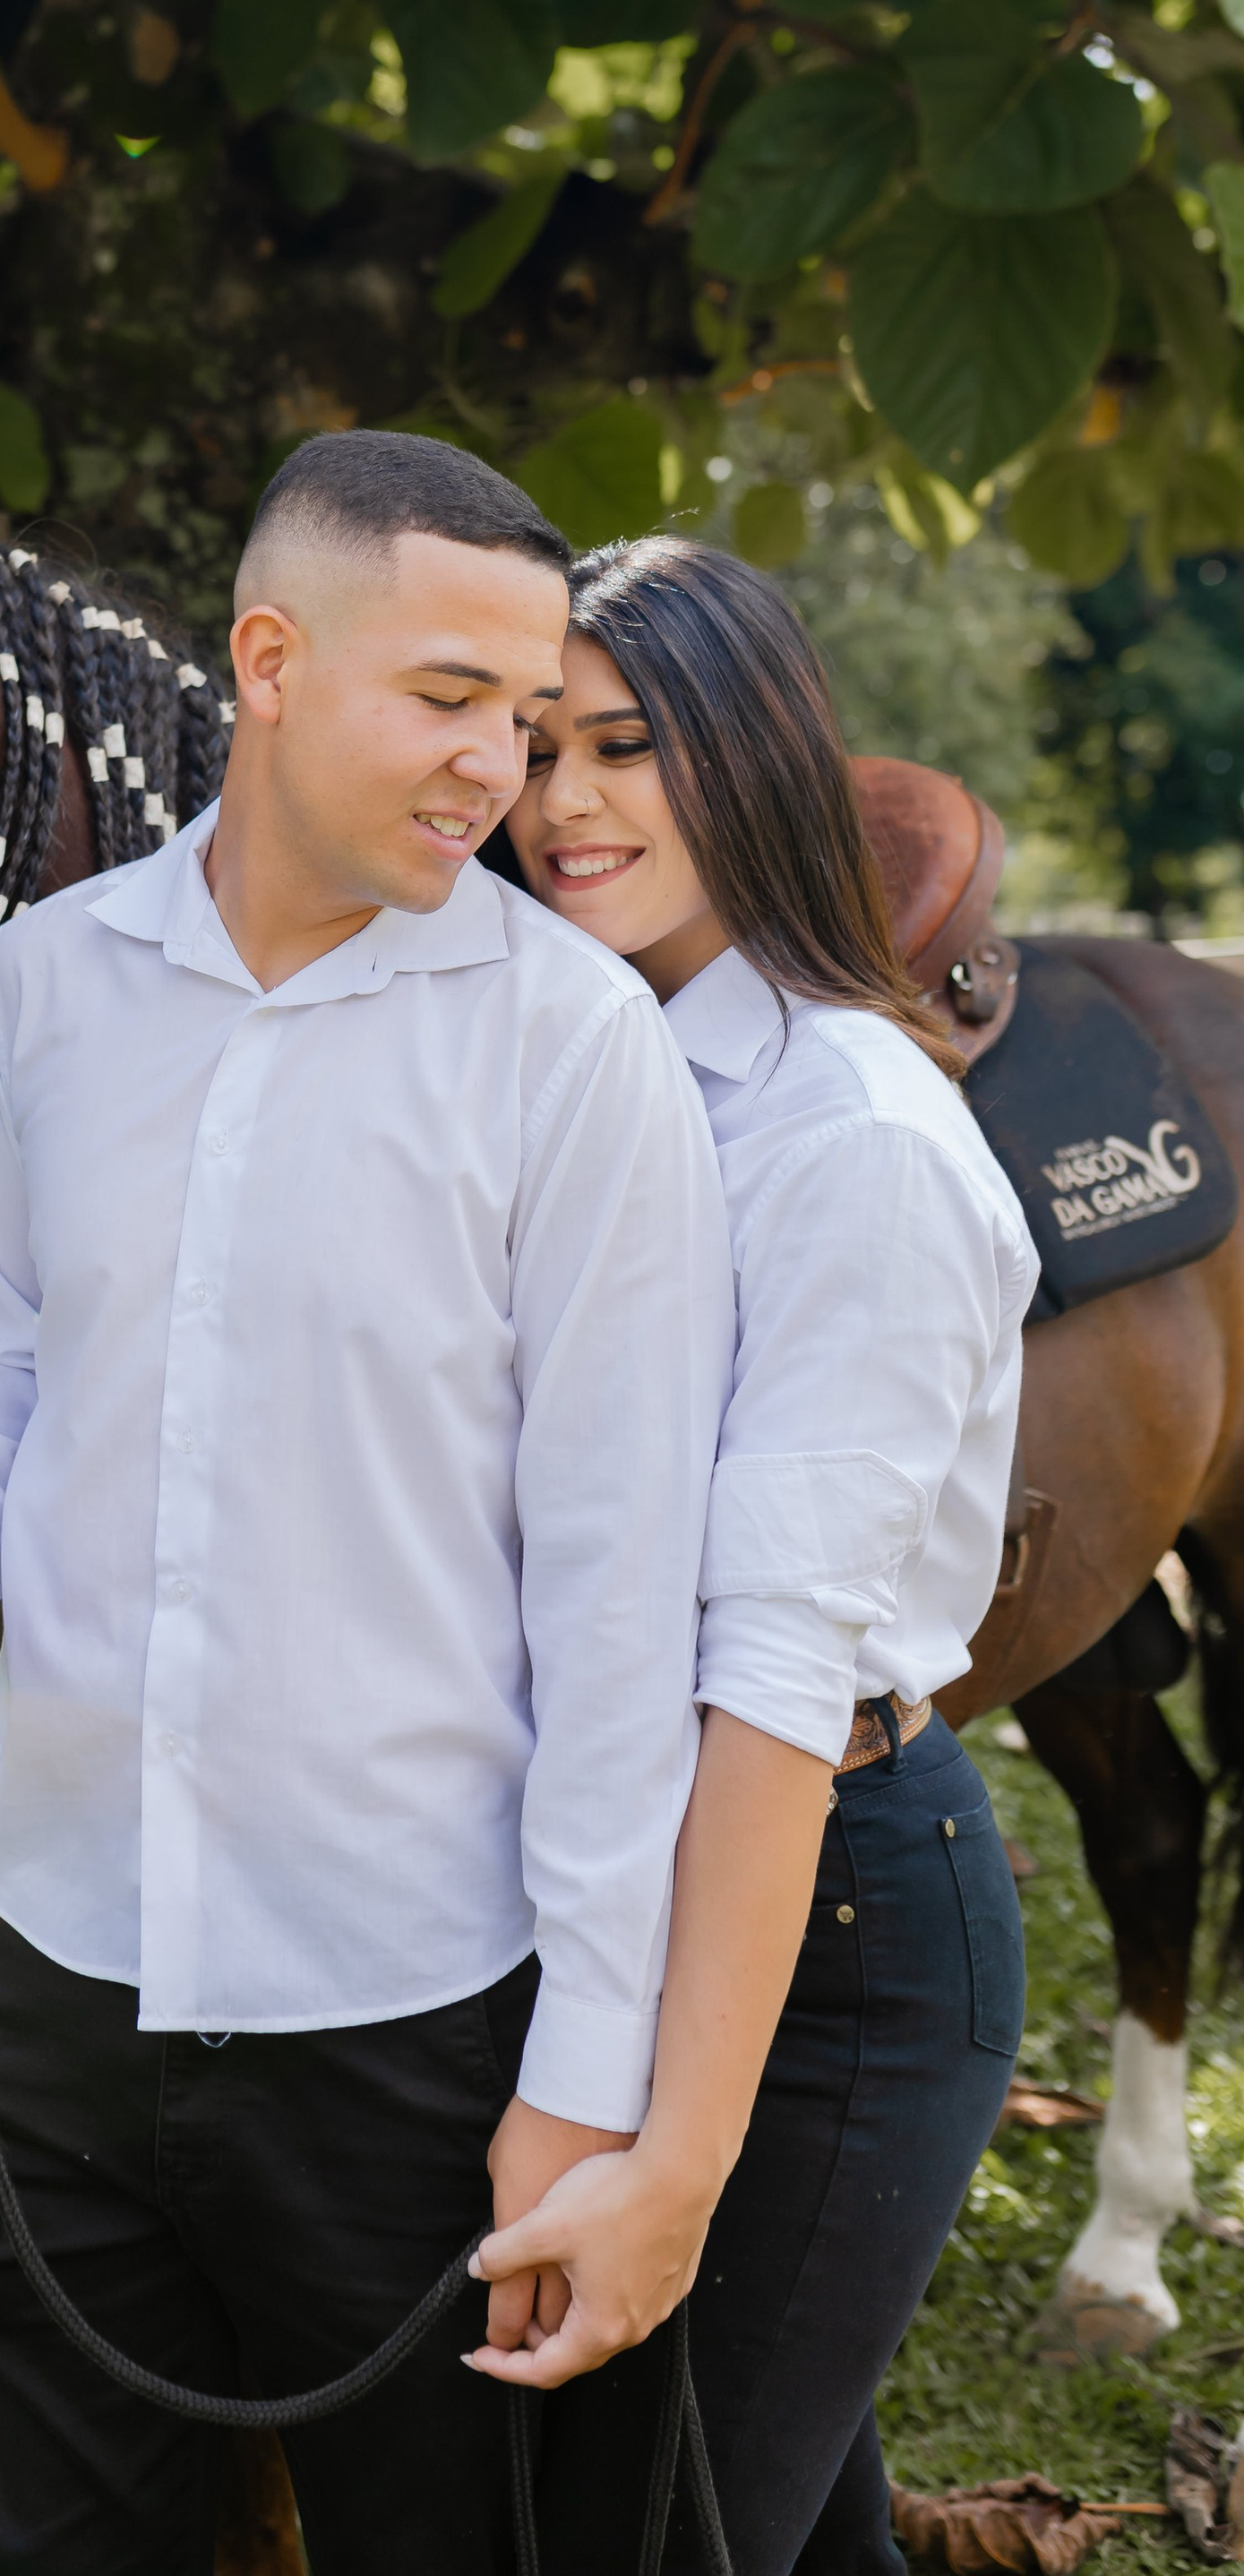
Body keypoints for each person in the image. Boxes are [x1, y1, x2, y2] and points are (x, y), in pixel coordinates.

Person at [0, 432, 735, 2576]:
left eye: (522, 722)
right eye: (446, 701)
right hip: (41, 1972)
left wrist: (583, 2072)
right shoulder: (43, 985)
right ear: (266, 657)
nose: (494, 770)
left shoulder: (572, 1051)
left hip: (412, 2022)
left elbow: (621, 1605)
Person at [480, 534, 1037, 2576]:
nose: (561, 806)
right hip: (640, 1864)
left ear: (753, 749)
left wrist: (673, 2161)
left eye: (623, 745)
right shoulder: (587, 1070)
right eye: (533, 750)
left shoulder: (846, 1142)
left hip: (833, 1917)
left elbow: (771, 1674)